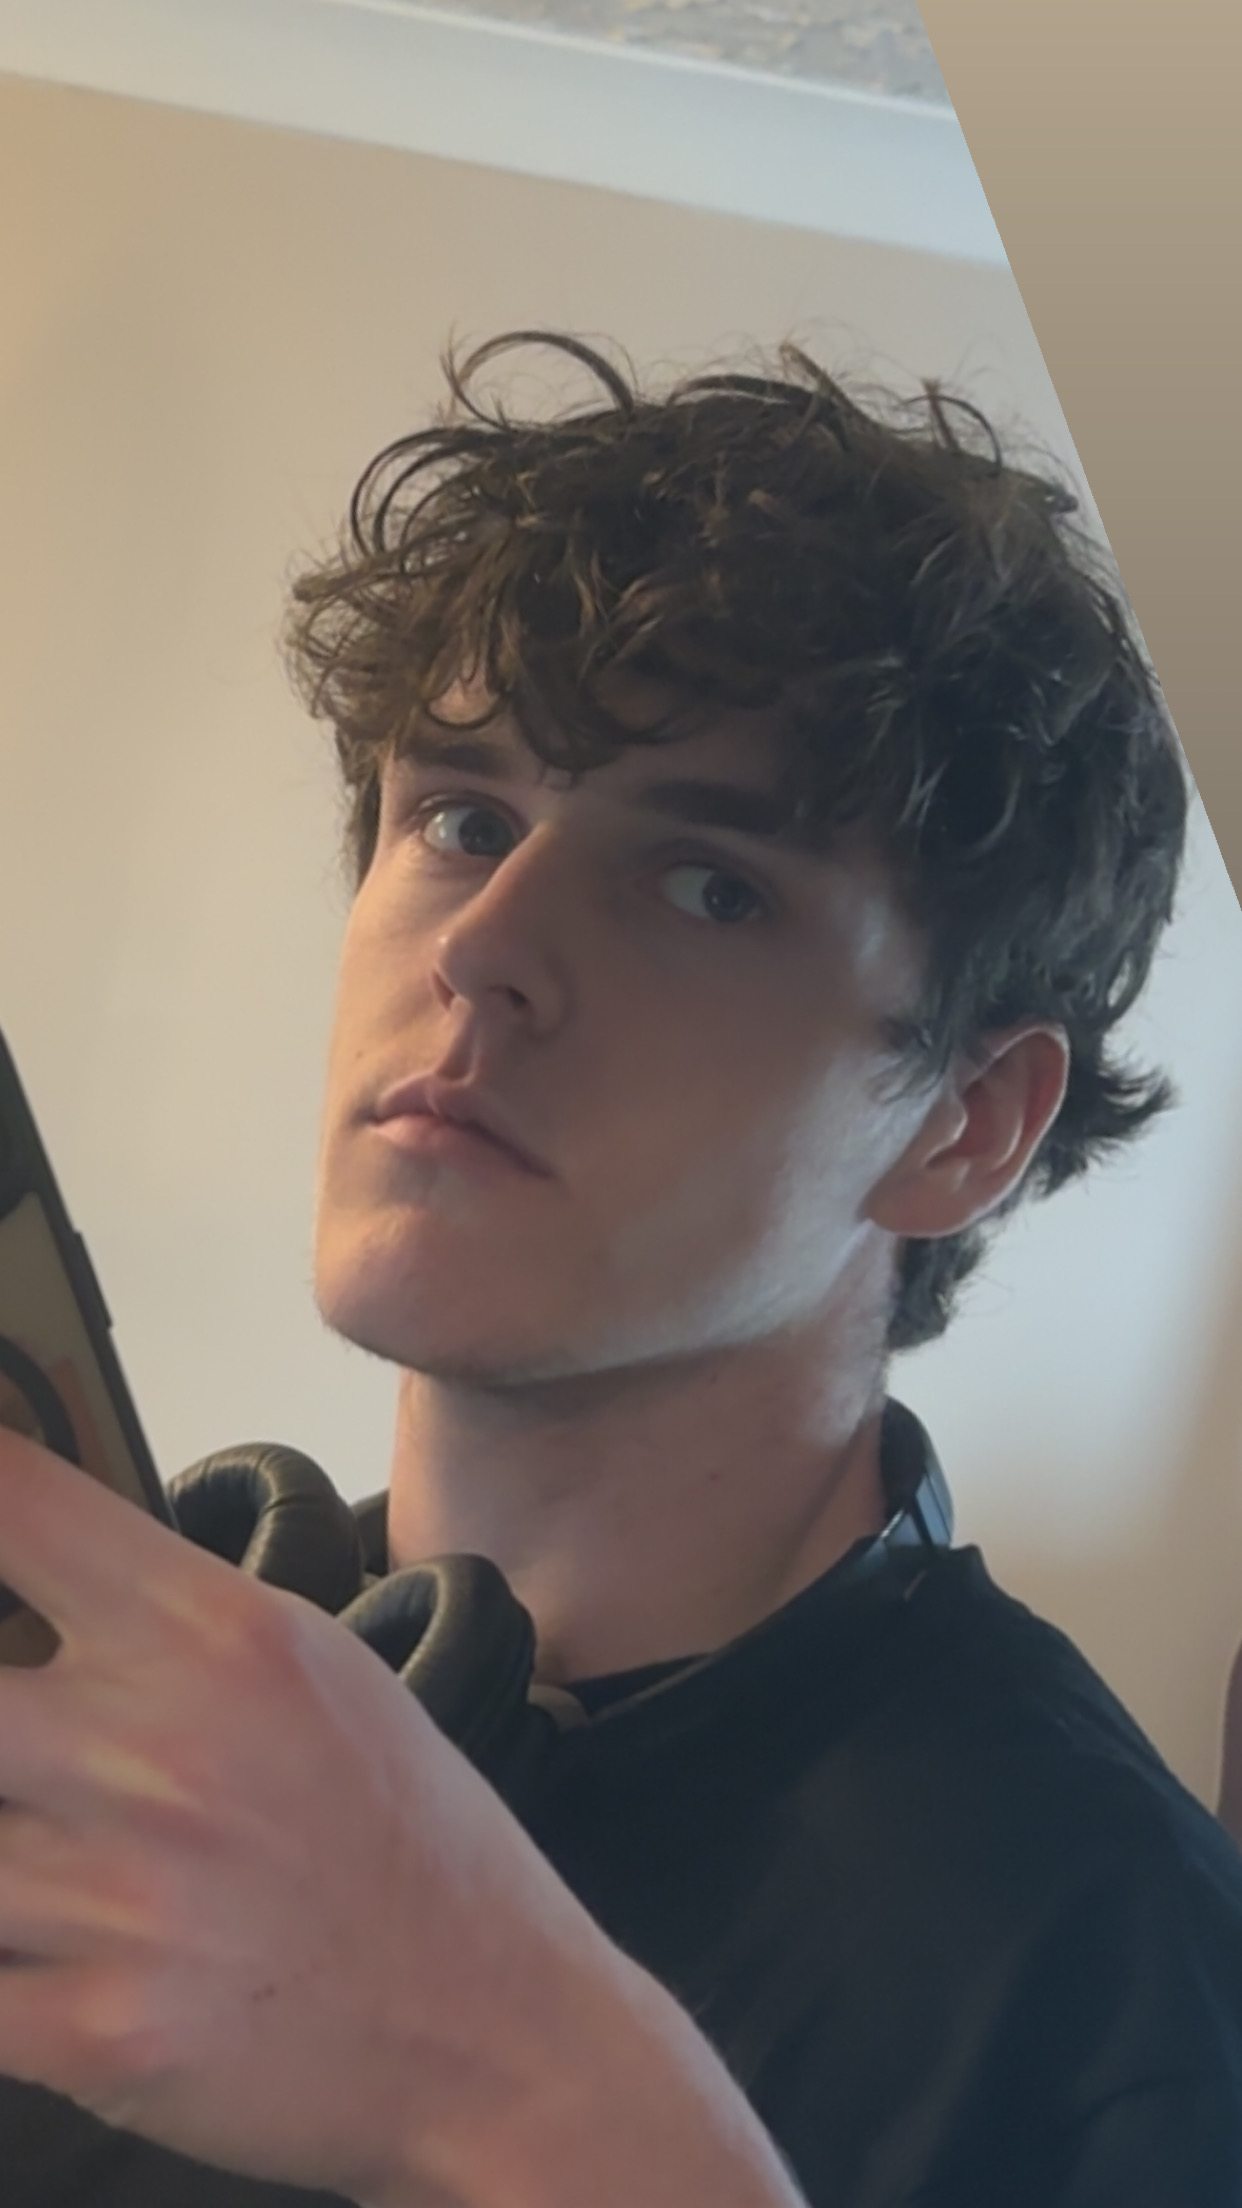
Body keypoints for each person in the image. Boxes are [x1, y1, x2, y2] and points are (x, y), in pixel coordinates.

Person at [0, 329, 1239, 2207]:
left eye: (707, 885)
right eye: (460, 819)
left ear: (962, 1124)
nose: (483, 949)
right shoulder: (156, 1686)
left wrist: (514, 2086)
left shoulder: (1118, 1975)